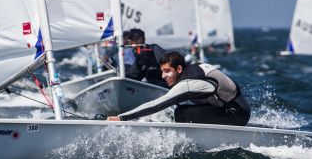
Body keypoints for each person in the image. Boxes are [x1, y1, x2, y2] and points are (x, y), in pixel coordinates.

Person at [107, 51, 251, 126]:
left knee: (181, 112)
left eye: (167, 71)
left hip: (237, 115)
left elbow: (158, 104)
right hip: (230, 108)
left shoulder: (189, 83)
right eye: (162, 71)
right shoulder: (191, 70)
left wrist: (121, 118)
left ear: (179, 68)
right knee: (178, 111)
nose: (164, 75)